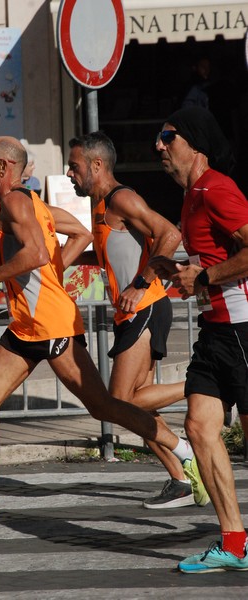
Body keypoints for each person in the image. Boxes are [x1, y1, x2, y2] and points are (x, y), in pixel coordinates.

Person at [0, 135, 206, 534]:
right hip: (26, 326)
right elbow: (80, 236)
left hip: (52, 326)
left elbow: (37, 253)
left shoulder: (17, 202)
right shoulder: (36, 204)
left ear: (4, 168)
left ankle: (184, 451)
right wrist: (48, 277)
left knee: (105, 406)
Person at [66, 131, 206, 510]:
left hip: (146, 306)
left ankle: (206, 385)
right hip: (131, 313)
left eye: (75, 166)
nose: (69, 173)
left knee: (119, 400)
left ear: (97, 165)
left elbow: (169, 233)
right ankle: (180, 480)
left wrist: (140, 282)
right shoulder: (98, 207)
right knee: (137, 408)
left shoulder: (121, 199)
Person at [151, 106, 248, 573]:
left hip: (244, 327)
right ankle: (234, 543)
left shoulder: (217, 189)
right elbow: (205, 264)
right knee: (199, 427)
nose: (159, 146)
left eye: (168, 137)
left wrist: (205, 276)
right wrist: (178, 274)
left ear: (193, 143)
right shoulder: (191, 197)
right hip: (215, 331)